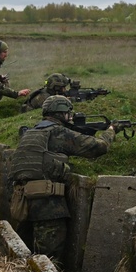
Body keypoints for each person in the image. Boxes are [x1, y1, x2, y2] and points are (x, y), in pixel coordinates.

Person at [7, 95, 114, 260]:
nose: (70, 116)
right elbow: (99, 147)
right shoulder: (57, 132)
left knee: (24, 258)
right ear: (61, 113)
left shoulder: (31, 132)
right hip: (47, 207)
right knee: (49, 261)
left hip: (21, 204)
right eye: (68, 113)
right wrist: (110, 132)